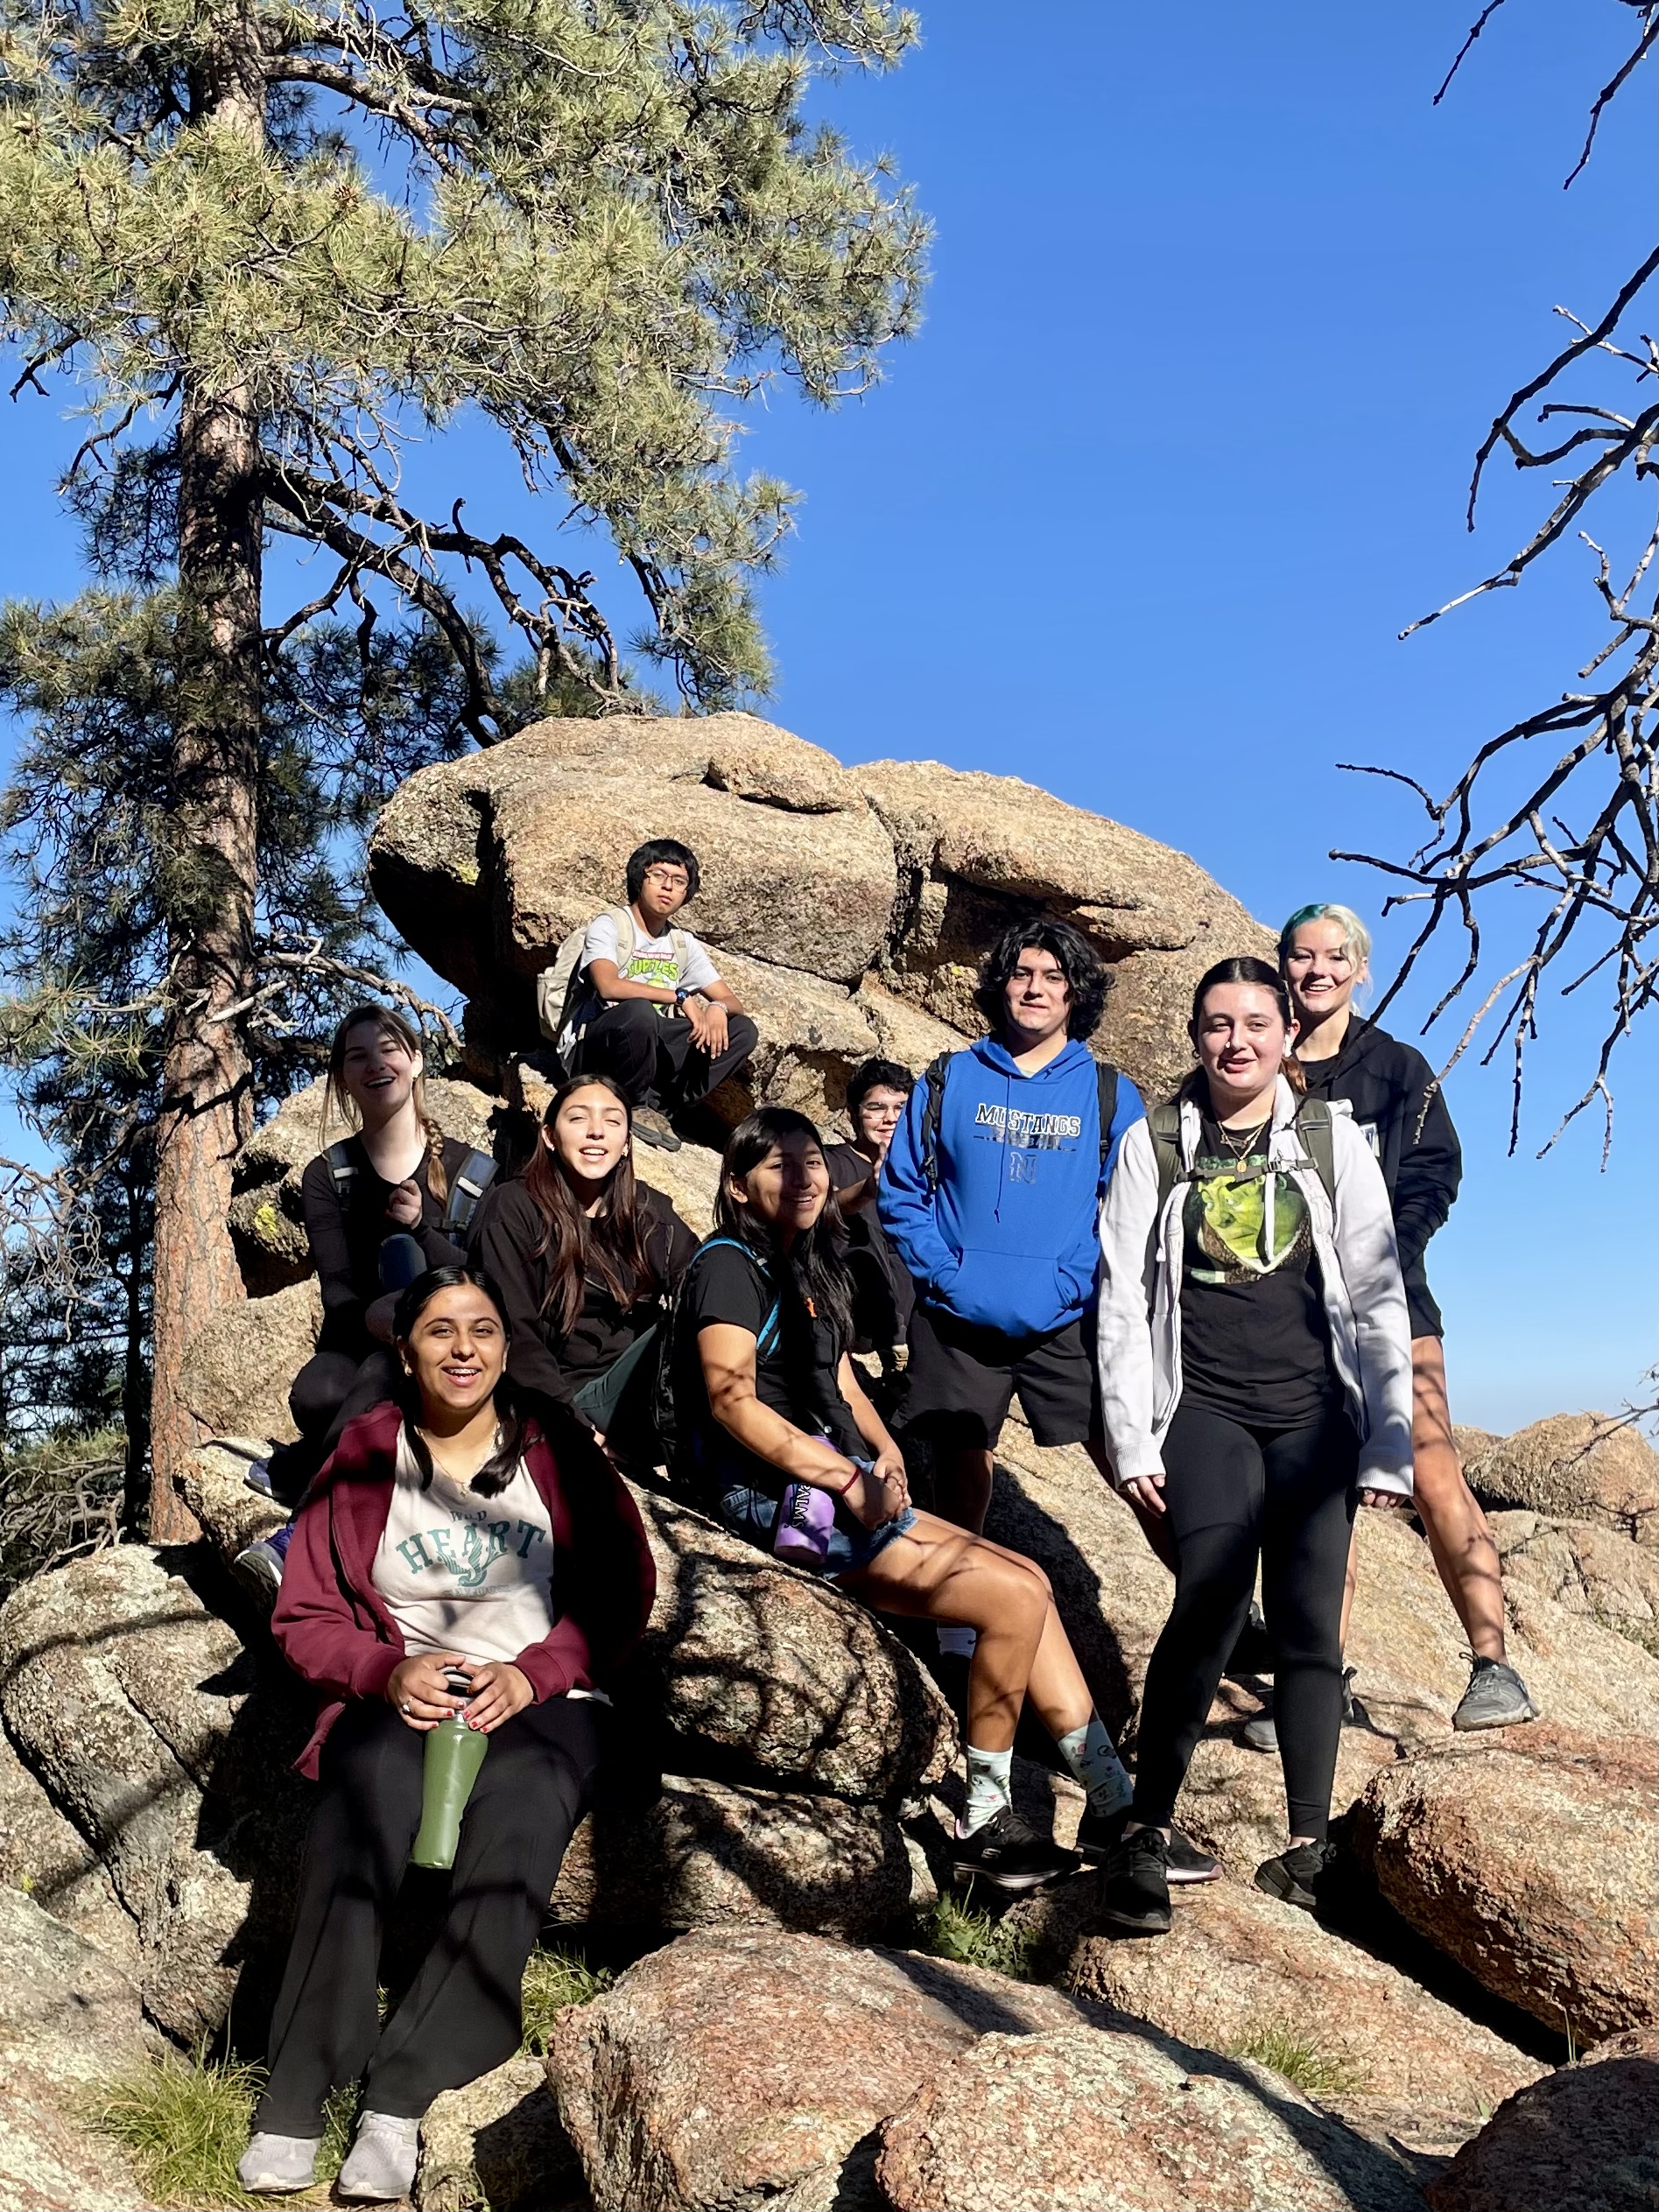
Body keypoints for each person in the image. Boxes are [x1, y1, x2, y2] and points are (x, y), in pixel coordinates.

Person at [238, 1267, 654, 2201]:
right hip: (401, 1690)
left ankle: (402, 2093)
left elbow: (626, 1589)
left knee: (523, 1804)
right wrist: (387, 1673)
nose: (462, 1347)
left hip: (537, 1697)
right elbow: (304, 1614)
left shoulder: (557, 1448)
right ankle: (298, 2090)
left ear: (506, 1348)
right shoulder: (361, 1453)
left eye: (481, 1330)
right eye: (439, 1330)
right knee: (364, 1796)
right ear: (405, 1349)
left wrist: (535, 1672)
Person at [671, 1104, 1154, 1893]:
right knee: (1003, 1602)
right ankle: (983, 1821)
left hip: (833, 1479)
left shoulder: (803, 1262)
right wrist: (845, 1477)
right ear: (736, 1185)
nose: (802, 1176)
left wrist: (886, 1451)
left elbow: (842, 1377)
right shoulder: (728, 1263)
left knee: (1028, 1579)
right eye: (777, 1166)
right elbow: (732, 1402)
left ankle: (1109, 1799)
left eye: (812, 1161)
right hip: (771, 1498)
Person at [1094, 957, 1416, 1935]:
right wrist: (1130, 1438)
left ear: (1285, 1035)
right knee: (1208, 1598)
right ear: (1194, 1037)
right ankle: (1146, 1831)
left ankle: (1310, 1849)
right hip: (1205, 1408)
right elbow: (1118, 1293)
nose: (1234, 1042)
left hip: (1316, 1415)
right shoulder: (1155, 1142)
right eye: (1214, 1025)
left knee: (1311, 1625)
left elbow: (1374, 1288)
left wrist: (1388, 1442)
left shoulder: (1327, 1139)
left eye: (1252, 1024)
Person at [1273, 902, 1536, 1734]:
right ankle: (1322, 1681)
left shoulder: (1395, 1067)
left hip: (1392, 1305)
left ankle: (1495, 1667)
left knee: (1429, 1468)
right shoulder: (1260, 1061)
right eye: (1301, 956)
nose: (1316, 970)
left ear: (1360, 969)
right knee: (1317, 1493)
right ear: (1282, 966)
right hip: (1287, 1314)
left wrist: (1383, 1252)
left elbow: (1434, 1172)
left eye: (1333, 957)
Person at [878, 921, 1147, 1540]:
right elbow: (901, 1190)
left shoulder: (1110, 1094)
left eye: (1053, 978)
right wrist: (947, 1273)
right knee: (960, 1468)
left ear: (1075, 993)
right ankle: (951, 1627)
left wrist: (1070, 1280)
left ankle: (1211, 1602)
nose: (1035, 989)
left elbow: (1127, 1209)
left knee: (1130, 1462)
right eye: (1022, 974)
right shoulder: (949, 1077)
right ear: (1000, 984)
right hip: (956, 1317)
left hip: (1068, 1317)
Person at [235, 1006, 495, 1593]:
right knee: (317, 1392)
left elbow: (486, 1281)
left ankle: (303, 1531)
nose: (376, 1064)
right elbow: (339, 1292)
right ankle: (310, 1458)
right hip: (362, 1333)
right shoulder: (328, 1175)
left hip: (444, 1351)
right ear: (343, 1078)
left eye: (389, 1049)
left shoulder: (473, 1174)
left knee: (382, 1376)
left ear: (417, 1060)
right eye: (357, 1057)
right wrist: (377, 1315)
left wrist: (422, 1258)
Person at [469, 1073, 697, 1467]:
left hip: (650, 1399)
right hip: (572, 1398)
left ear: (626, 1143)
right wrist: (580, 1433)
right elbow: (513, 1335)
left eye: (612, 1121)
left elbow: (701, 1277)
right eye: (578, 1119)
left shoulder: (648, 1212)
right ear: (550, 1137)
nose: (596, 1132)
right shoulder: (513, 1209)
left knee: (723, 1306)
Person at [549, 838, 757, 1152]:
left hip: (650, 1046)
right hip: (596, 1045)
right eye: (657, 875)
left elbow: (732, 1002)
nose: (667, 887)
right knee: (639, 1012)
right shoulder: (611, 925)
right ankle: (633, 1102)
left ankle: (661, 1107)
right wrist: (679, 996)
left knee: (742, 1030)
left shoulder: (681, 943)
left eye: (679, 881)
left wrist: (716, 1007)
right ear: (639, 878)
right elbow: (608, 985)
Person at [822, 1057, 917, 1370]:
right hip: (853, 1302)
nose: (890, 1118)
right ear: (854, 1114)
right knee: (862, 1231)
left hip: (912, 1310)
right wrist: (867, 1189)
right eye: (876, 1108)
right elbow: (818, 1211)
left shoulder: (927, 1171)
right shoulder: (829, 1160)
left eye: (900, 1108)